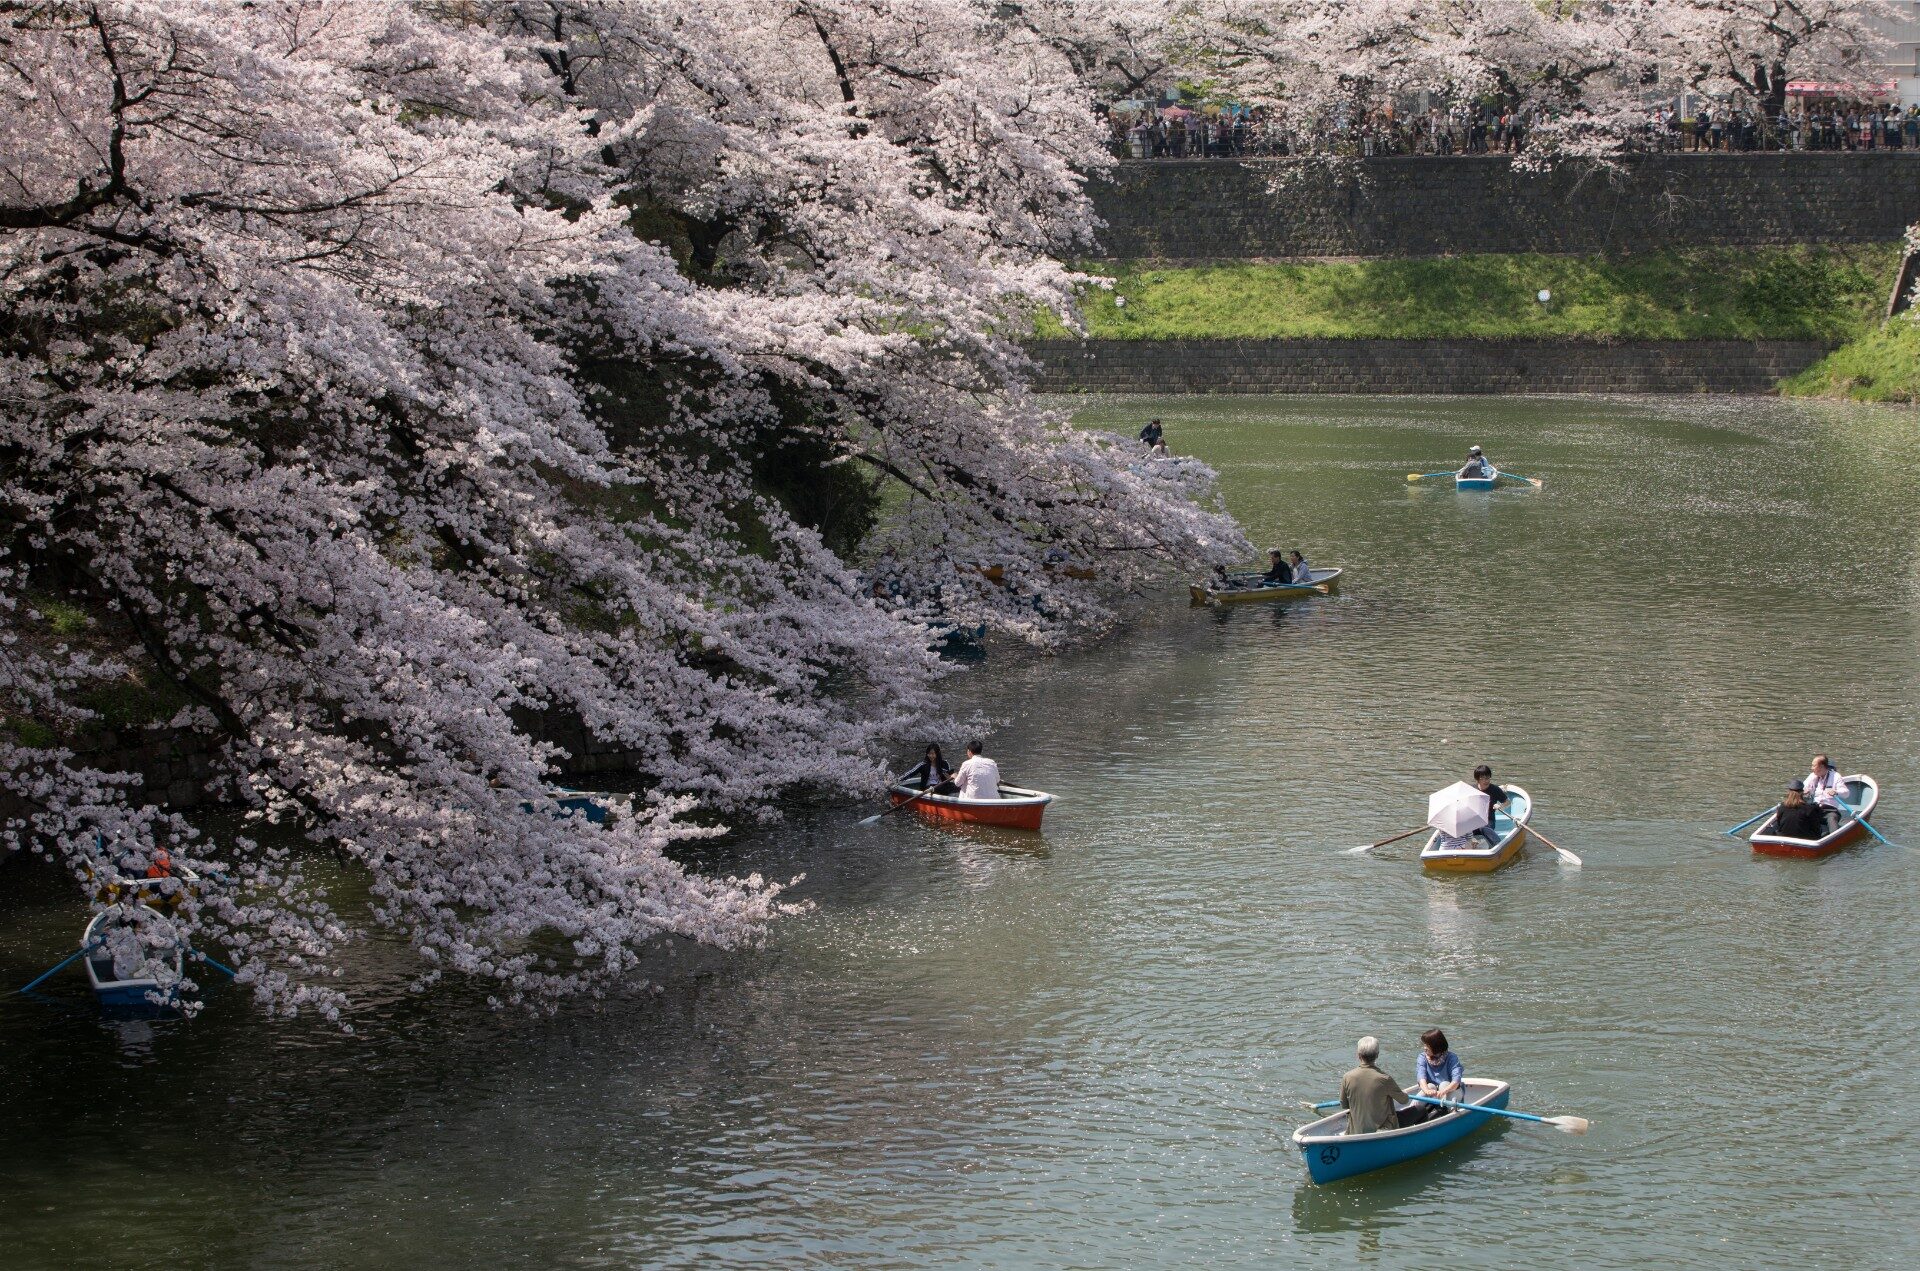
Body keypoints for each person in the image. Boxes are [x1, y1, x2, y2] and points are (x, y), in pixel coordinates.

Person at [1339, 1036, 1404, 1136]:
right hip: (1382, 1129)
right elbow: (1404, 1100)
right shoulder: (1385, 1079)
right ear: (1377, 1055)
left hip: (1356, 1130)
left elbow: (1344, 1105)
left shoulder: (1347, 1077)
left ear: (1358, 1055)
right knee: (1420, 1111)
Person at [1401, 1028, 1464, 1126]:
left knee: (1444, 1084)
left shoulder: (1452, 1058)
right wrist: (1426, 1090)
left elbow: (1456, 1082)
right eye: (1424, 1045)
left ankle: (1451, 1112)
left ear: (1436, 1046)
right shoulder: (1422, 1057)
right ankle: (1410, 1112)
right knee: (1430, 1086)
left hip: (1451, 1092)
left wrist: (1444, 1091)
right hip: (1434, 1094)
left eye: (1427, 1045)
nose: (1424, 1048)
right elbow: (1421, 1076)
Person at [1803, 754, 1848, 836]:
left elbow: (1846, 793)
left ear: (1821, 767)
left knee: (1832, 818)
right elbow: (1804, 787)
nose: (1811, 768)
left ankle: (1834, 839)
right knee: (1802, 815)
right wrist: (1805, 791)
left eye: (1813, 766)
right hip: (1815, 808)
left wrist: (1836, 792)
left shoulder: (1836, 776)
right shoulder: (1813, 776)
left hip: (1830, 810)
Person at [1470, 764, 1511, 847]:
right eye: (1483, 778)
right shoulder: (1471, 789)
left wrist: (1500, 806)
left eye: (1488, 778)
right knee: (1466, 829)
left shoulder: (1494, 789)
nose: (1486, 781)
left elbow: (1508, 802)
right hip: (1474, 819)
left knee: (1483, 827)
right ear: (1477, 779)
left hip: (1488, 820)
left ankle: (1497, 845)